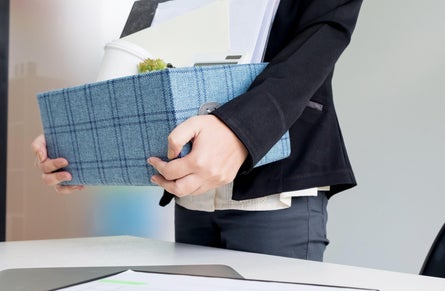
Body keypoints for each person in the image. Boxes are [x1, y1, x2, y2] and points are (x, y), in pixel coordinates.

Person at [31, 0, 363, 261]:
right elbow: (140, 52)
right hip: (192, 195)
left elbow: (321, 38)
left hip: (275, 191)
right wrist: (85, 136)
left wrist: (242, 130)